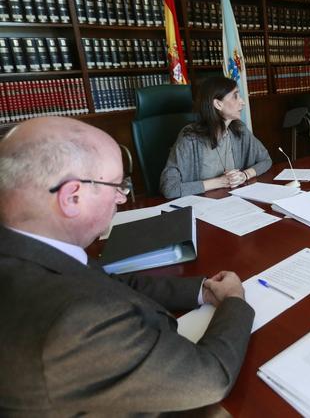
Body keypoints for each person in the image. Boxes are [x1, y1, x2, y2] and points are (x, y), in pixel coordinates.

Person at [0, 117, 254, 414]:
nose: (121, 198)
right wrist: (234, 300)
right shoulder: (76, 321)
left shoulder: (29, 248)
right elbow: (208, 379)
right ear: (72, 197)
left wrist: (202, 290)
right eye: (116, 185)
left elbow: (107, 282)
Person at [160, 76, 272, 198]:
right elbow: (169, 188)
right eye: (235, 96)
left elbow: (265, 160)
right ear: (218, 104)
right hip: (201, 206)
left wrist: (244, 175)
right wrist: (221, 182)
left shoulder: (239, 130)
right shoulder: (190, 137)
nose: (242, 102)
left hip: (233, 202)